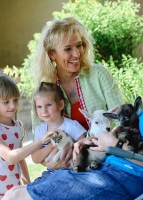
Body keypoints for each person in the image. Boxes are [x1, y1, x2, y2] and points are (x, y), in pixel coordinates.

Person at [3, 26, 143, 200]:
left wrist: (113, 144)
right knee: (14, 193)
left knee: (17, 197)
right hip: (110, 169)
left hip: (124, 178)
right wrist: (95, 141)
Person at [31, 17, 124, 170]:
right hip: (67, 166)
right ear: (52, 54)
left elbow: (120, 119)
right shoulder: (45, 90)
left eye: (79, 45)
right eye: (68, 49)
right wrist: (49, 163)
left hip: (107, 157)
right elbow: (39, 142)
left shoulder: (99, 74)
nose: (76, 54)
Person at [0, 74, 53, 200]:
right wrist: (40, 141)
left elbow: (20, 159)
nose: (12, 106)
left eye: (15, 100)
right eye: (6, 102)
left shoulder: (17, 126)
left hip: (12, 190)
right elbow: (11, 157)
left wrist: (27, 184)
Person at [31, 82, 86, 178]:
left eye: (48, 105)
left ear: (61, 105)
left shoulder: (72, 126)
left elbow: (84, 148)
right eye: (39, 106)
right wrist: (51, 146)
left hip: (72, 173)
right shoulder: (40, 130)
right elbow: (35, 158)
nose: (44, 111)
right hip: (51, 174)